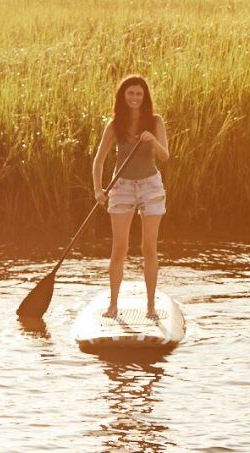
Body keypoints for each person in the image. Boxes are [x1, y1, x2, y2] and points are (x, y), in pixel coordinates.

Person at [92, 75, 171, 319]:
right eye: (130, 94)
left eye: (139, 94)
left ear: (144, 97)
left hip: (150, 187)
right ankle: (113, 306)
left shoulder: (155, 121)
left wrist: (153, 140)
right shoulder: (115, 125)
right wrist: (98, 190)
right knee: (119, 249)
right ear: (123, 97)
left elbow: (165, 156)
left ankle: (150, 308)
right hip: (121, 187)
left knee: (149, 248)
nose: (135, 98)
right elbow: (99, 160)